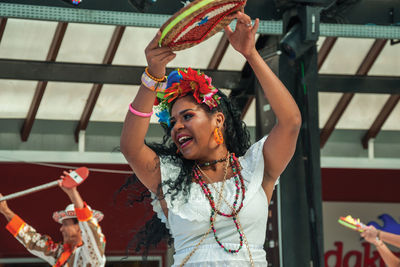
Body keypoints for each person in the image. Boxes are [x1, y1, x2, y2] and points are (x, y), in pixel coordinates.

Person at [120, 10, 301, 266]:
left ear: (218, 119)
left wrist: (251, 54)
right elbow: (130, 147)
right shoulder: (169, 178)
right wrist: (152, 75)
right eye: (172, 122)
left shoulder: (255, 168)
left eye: (187, 116)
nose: (177, 127)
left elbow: (291, 122)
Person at [0, 171, 106, 267]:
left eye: (65, 224)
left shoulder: (92, 257)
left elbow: (91, 231)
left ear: (80, 227)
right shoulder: (60, 254)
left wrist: (72, 193)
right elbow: (33, 241)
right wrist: (5, 210)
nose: (61, 229)